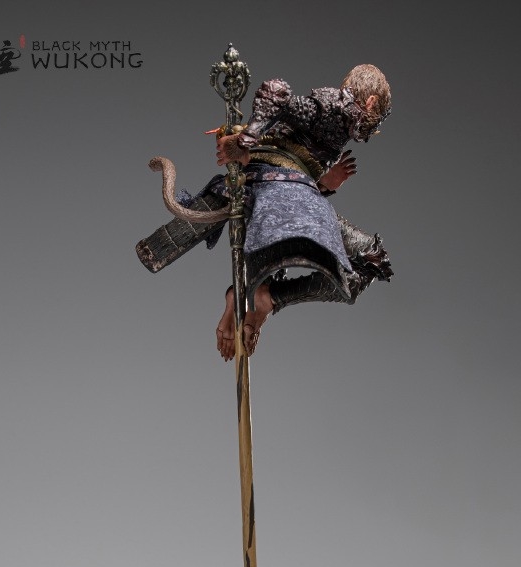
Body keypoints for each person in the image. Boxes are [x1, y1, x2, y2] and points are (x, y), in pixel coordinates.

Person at [136, 64, 393, 359]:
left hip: (285, 188)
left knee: (281, 255)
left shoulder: (337, 117)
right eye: (376, 120)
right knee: (373, 258)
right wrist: (244, 142)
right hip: (282, 189)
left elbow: (293, 146)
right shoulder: (335, 108)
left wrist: (324, 184)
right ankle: (268, 298)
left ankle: (257, 295)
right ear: (370, 102)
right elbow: (276, 93)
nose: (370, 132)